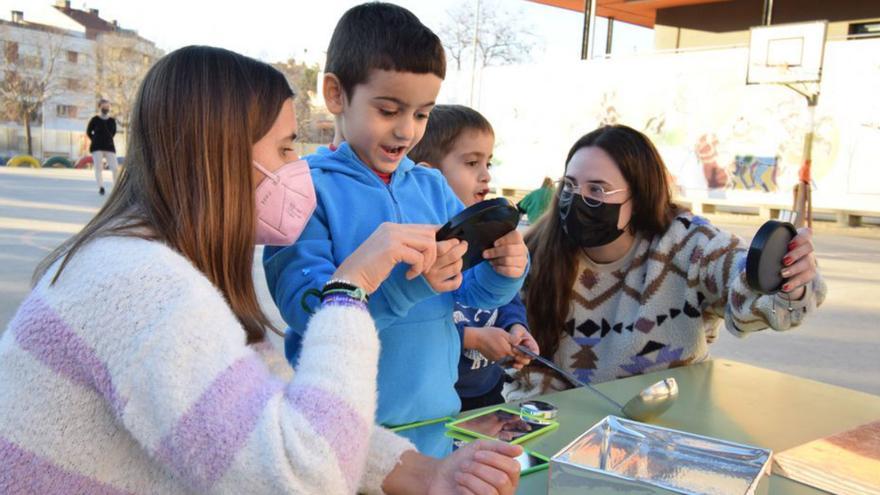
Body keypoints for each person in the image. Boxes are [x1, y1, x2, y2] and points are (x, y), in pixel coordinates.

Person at [0, 45, 523, 495]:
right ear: (220, 156)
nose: (299, 168)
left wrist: (428, 475)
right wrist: (349, 289)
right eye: (285, 148)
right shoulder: (137, 283)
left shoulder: (147, 265)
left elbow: (275, 409)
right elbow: (305, 475)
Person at [263, 3, 529, 456]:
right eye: (389, 110)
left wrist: (504, 273)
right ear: (335, 94)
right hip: (345, 441)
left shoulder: (431, 186)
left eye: (423, 114)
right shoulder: (306, 189)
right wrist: (405, 289)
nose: (406, 130)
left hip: (437, 426)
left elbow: (465, 294)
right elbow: (308, 315)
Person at [506, 124, 826, 399]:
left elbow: (756, 299)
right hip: (554, 427)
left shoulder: (687, 244)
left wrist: (791, 280)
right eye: (571, 186)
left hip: (663, 425)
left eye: (597, 190)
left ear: (639, 195)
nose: (577, 200)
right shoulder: (533, 251)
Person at [408, 104, 539, 411]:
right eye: (471, 163)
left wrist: (515, 328)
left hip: (487, 391)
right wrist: (473, 338)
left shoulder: (487, 234)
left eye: (488, 162)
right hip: (433, 399)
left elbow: (507, 301)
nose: (486, 175)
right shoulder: (418, 244)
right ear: (428, 176)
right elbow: (411, 325)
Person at [86, 99, 119, 195]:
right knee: (98, 168)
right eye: (104, 107)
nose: (106, 108)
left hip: (109, 147)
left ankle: (116, 188)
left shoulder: (112, 121)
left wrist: (107, 140)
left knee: (115, 168)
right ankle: (101, 187)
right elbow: (89, 132)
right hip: (97, 148)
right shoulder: (94, 120)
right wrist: (95, 140)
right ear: (99, 107)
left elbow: (113, 133)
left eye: (108, 107)